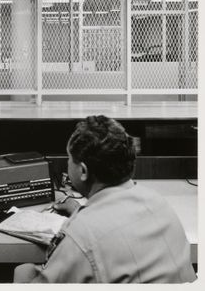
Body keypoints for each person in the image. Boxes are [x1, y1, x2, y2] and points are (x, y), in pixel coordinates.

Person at [14, 115, 196, 283]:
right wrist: (81, 211)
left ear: (83, 171)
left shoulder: (81, 237)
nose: (68, 163)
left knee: (24, 272)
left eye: (69, 158)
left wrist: (26, 274)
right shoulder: (158, 202)